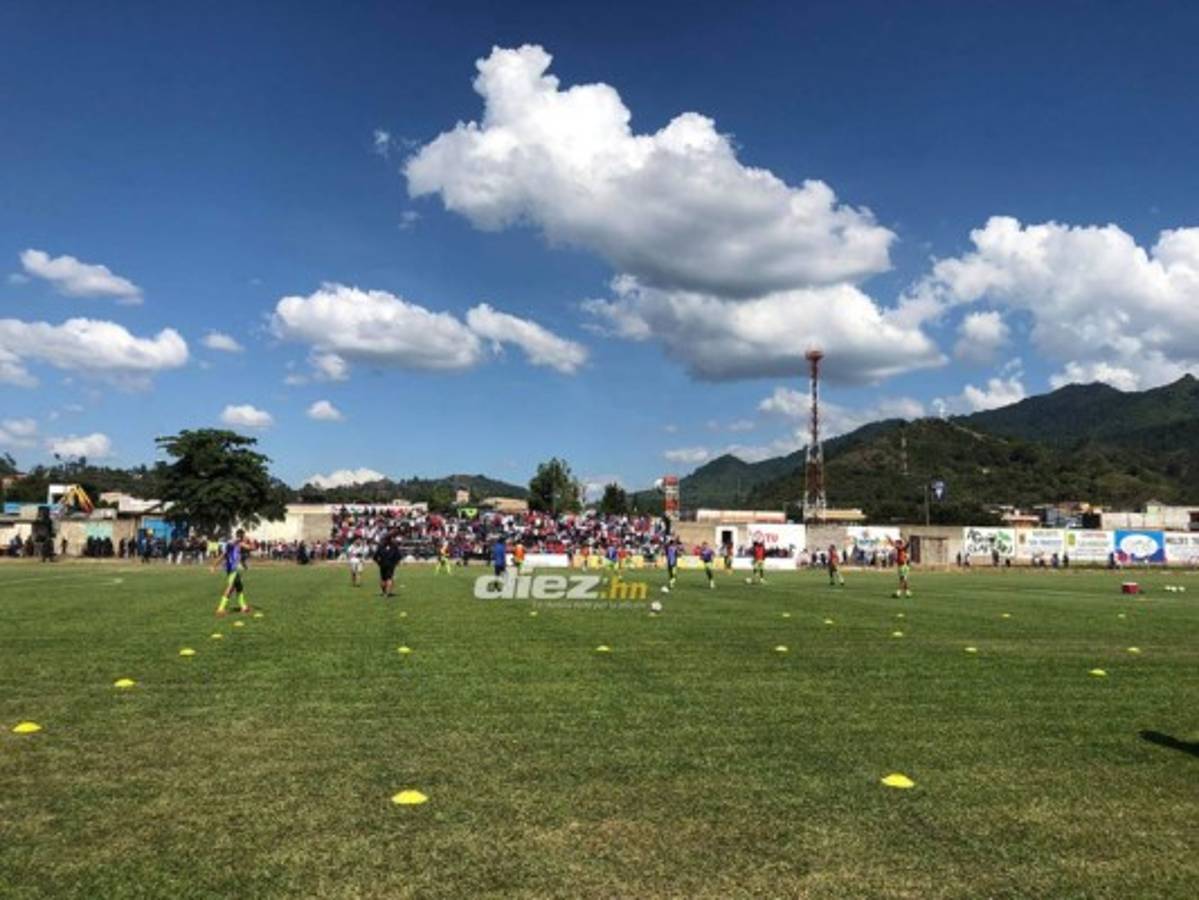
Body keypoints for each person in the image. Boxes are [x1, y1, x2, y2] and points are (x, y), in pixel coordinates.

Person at [213, 529, 251, 616]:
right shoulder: (232, 544)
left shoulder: (238, 544)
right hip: (232, 570)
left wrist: (243, 564)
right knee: (230, 588)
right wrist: (214, 566)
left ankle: (243, 607)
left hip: (234, 569)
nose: (244, 537)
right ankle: (220, 609)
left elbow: (239, 555)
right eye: (243, 536)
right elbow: (223, 555)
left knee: (239, 587)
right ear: (241, 536)